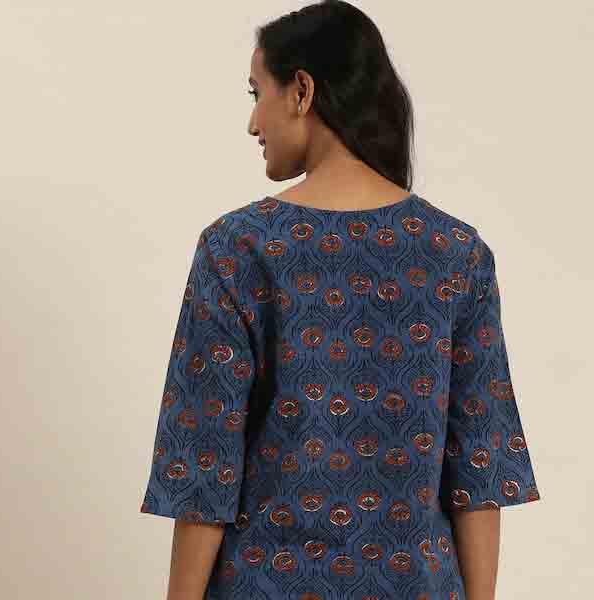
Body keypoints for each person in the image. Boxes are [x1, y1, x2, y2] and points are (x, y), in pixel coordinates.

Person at [139, 2, 542, 599]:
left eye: (257, 93)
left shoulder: (238, 249)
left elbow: (203, 468)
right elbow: (479, 469)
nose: (253, 123)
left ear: (301, 91)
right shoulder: (457, 254)